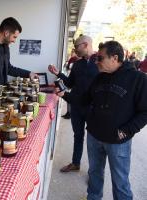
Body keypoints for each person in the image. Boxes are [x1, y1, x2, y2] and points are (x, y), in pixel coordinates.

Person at [73, 40, 147, 200]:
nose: (96, 62)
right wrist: (64, 94)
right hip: (94, 136)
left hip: (118, 142)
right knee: (94, 174)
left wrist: (126, 130)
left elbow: (145, 112)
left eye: (100, 58)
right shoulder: (100, 77)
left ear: (114, 58)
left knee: (120, 183)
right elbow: (84, 99)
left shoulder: (138, 79)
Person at [48, 35, 99, 172]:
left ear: (86, 45)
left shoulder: (101, 62)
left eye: (77, 46)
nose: (75, 49)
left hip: (93, 108)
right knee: (78, 136)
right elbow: (70, 83)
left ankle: (94, 173)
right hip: (76, 106)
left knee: (94, 141)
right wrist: (58, 73)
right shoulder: (77, 64)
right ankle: (76, 163)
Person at [62, 49, 80, 119]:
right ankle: (68, 112)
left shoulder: (79, 61)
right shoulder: (71, 59)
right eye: (72, 52)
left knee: (71, 97)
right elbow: (66, 68)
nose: (72, 54)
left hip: (74, 82)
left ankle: (71, 113)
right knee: (68, 97)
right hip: (69, 79)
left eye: (73, 52)